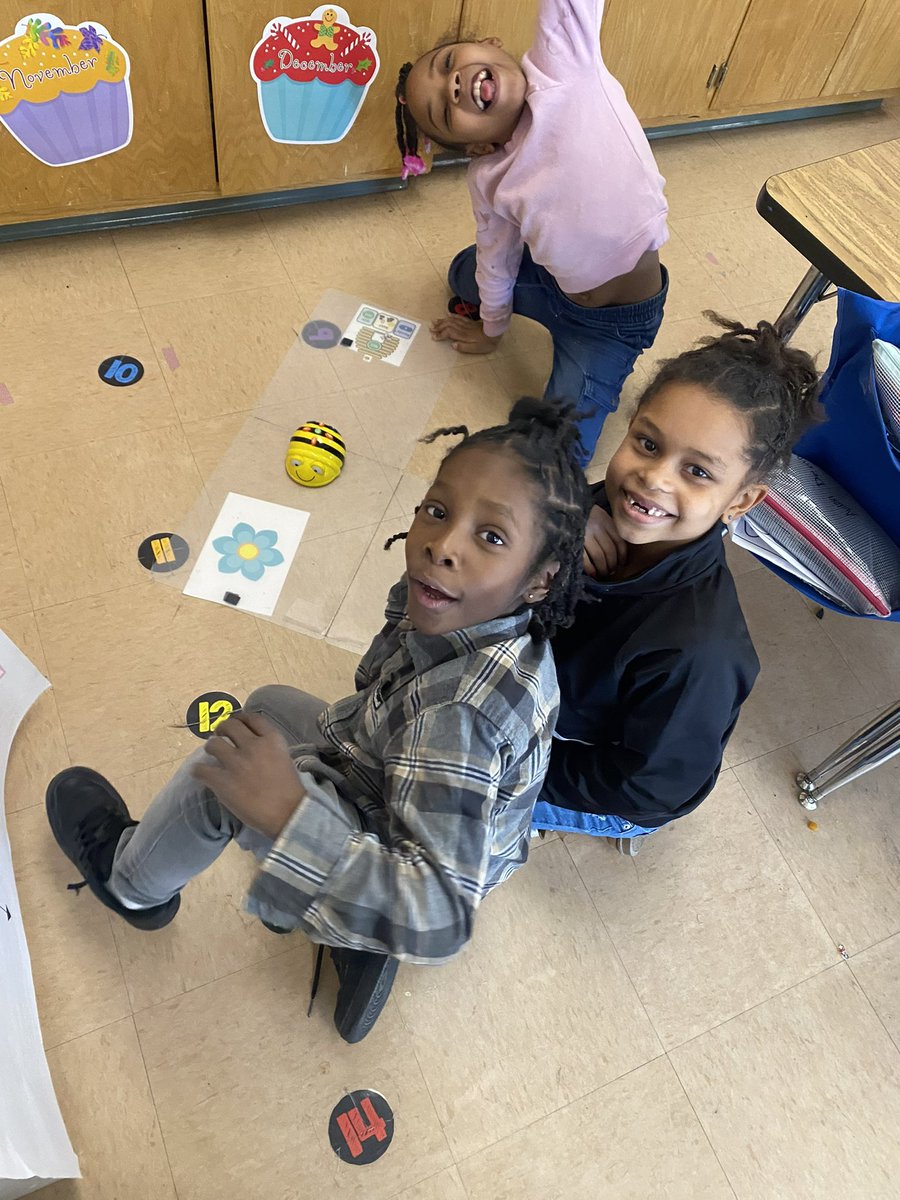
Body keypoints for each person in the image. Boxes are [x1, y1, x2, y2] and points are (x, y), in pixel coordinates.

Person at [46, 399, 591, 1043]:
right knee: (270, 704)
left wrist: (285, 813)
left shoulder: (459, 717)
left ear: (540, 580)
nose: (443, 546)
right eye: (438, 511)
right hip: (402, 796)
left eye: (491, 537)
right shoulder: (485, 620)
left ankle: (132, 885)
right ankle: (362, 937)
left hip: (405, 853)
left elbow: (442, 921)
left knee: (220, 767)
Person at [532, 315, 822, 853]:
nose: (655, 477)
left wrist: (500, 764)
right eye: (646, 443)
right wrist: (563, 518)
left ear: (741, 501)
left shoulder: (698, 651)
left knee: (449, 795)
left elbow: (652, 784)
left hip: (622, 788)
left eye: (698, 472)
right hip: (564, 700)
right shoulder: (606, 506)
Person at [395, 0, 669, 465]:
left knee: (558, 453)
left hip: (613, 325)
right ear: (477, 146)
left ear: (489, 45)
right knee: (468, 271)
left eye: (448, 64)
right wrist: (492, 329)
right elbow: (496, 258)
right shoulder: (488, 176)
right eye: (444, 108)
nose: (453, 84)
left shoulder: (565, 64)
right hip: (553, 285)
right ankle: (507, 305)